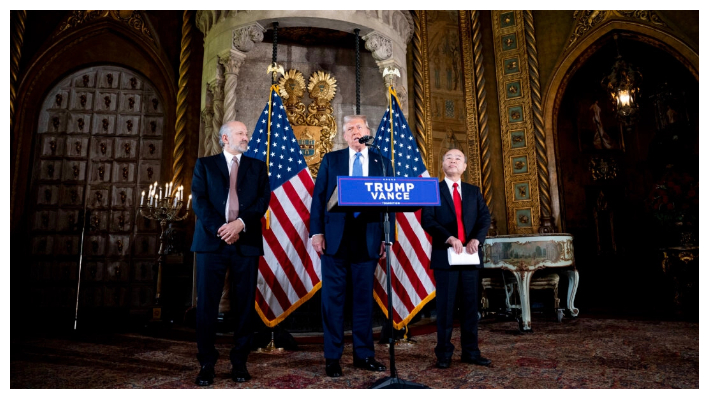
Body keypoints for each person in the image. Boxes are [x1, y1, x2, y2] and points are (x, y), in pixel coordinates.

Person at [310, 115, 391, 377]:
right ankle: (332, 357)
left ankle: (364, 355)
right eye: (349, 129)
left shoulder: (382, 161)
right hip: (335, 240)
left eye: (359, 127)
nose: (355, 131)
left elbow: (391, 201)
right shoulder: (331, 160)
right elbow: (319, 197)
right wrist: (316, 233)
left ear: (368, 131)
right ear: (343, 136)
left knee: (363, 302)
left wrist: (385, 238)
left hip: (367, 240)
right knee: (333, 302)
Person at [190, 121, 271, 385]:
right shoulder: (205, 165)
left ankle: (239, 362)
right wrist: (222, 229)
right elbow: (199, 201)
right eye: (240, 133)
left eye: (246, 133)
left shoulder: (257, 167)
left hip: (245, 242)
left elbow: (262, 200)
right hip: (211, 243)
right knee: (207, 305)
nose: (246, 137)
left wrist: (240, 224)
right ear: (225, 138)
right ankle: (206, 363)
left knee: (245, 304)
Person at [421, 148, 491, 369]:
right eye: (448, 158)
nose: (453, 161)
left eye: (457, 158)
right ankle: (444, 354)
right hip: (446, 257)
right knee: (446, 308)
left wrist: (477, 240)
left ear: (464, 167)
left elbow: (484, 218)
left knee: (471, 307)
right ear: (442, 165)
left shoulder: (473, 191)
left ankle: (471, 352)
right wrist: (449, 238)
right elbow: (428, 220)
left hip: (470, 257)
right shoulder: (433, 190)